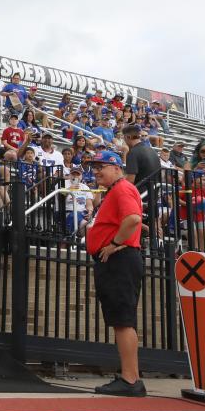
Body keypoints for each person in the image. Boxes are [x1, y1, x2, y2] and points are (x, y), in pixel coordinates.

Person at [84, 151, 145, 397]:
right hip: (117, 259)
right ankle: (129, 377)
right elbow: (131, 219)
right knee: (121, 319)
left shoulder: (121, 189)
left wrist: (114, 242)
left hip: (118, 259)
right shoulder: (119, 190)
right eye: (94, 167)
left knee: (122, 320)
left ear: (117, 168)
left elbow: (132, 218)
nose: (97, 171)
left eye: (102, 166)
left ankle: (131, 379)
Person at [123, 125, 162, 193]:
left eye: (124, 138)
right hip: (153, 193)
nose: (125, 141)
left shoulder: (133, 152)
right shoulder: (151, 150)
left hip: (140, 194)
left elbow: (130, 179)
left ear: (128, 137)